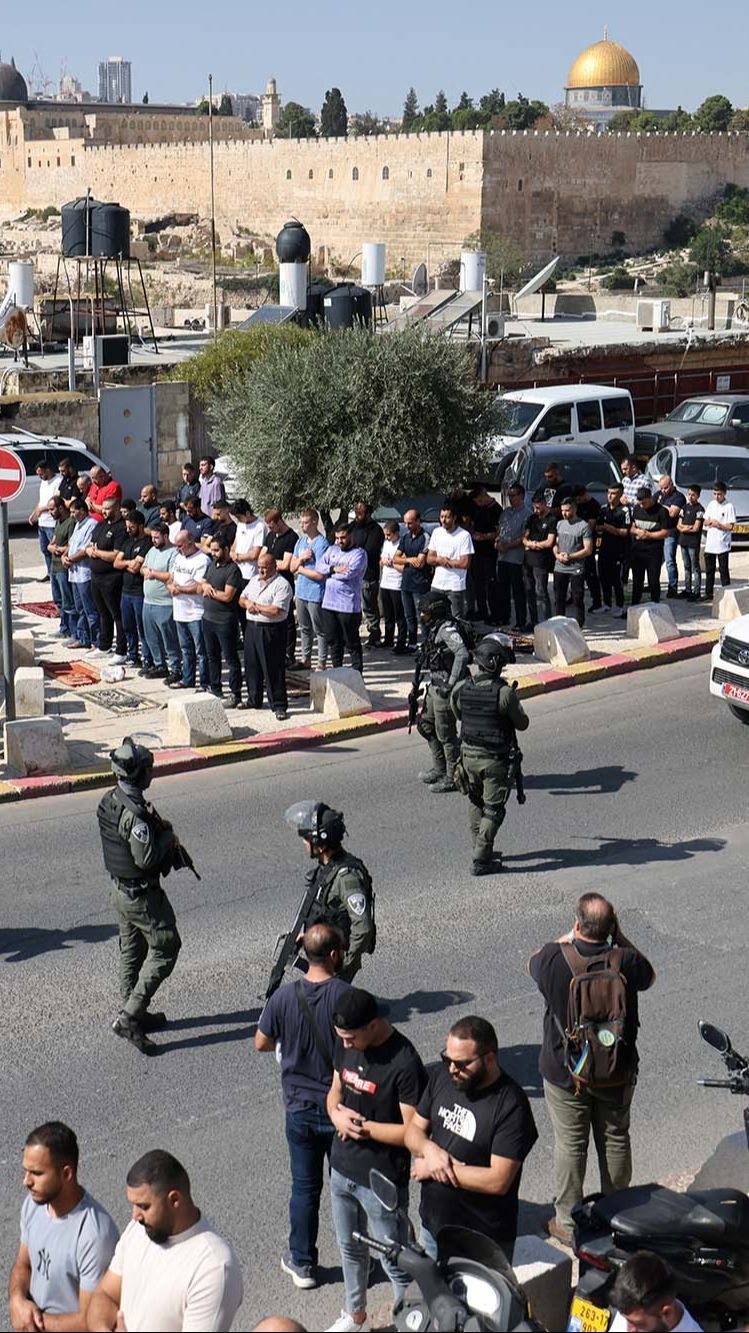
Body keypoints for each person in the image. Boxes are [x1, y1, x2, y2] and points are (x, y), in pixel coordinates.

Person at [528, 892, 655, 1244]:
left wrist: (566, 937)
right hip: (616, 1070)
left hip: (566, 1072)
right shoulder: (625, 960)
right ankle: (618, 1215)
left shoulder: (555, 958)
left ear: (577, 924)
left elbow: (532, 962)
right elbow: (651, 975)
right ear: (611, 926)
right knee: (615, 1139)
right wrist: (622, 936)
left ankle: (567, 1223)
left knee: (570, 1144)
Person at [255, 924, 352, 1291]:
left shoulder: (282, 998)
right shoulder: (346, 996)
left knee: (304, 1189)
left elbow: (261, 1042)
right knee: (347, 1186)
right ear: (333, 955)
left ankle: (303, 1262)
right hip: (338, 1108)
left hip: (298, 1109)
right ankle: (356, 1257)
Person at [326, 988, 426, 1333]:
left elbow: (412, 1133)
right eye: (342, 1038)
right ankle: (355, 1317)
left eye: (351, 1038)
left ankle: (409, 1322)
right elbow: (335, 1092)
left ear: (373, 1025)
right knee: (349, 1249)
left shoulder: (404, 1062)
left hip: (381, 1180)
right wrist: (336, 1116)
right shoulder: (346, 1043)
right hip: (341, 1169)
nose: (346, 1045)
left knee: (394, 1260)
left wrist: (364, 1129)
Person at [405, 1015, 538, 1258]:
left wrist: (435, 1171)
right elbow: (413, 1131)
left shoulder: (511, 1105)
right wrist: (431, 1151)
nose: (452, 1069)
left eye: (462, 1063)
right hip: (433, 1229)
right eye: (447, 1059)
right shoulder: (442, 1077)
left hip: (482, 1242)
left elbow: (498, 1180)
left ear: (489, 1058)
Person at [86, 1149, 243, 1332]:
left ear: (174, 1200)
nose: (135, 1215)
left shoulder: (214, 1267)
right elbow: (105, 1295)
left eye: (143, 1206)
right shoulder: (139, 1230)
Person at [96, 737, 184, 1052]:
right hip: (141, 897)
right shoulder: (134, 816)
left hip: (120, 891)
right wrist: (168, 839)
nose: (151, 773)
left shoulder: (111, 799)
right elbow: (145, 858)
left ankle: (134, 1011)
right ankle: (130, 1016)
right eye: (148, 768)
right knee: (166, 947)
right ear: (136, 774)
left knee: (132, 953)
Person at [8, 1120, 119, 1333]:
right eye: (26, 1171)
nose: (26, 1182)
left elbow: (91, 1321)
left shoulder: (94, 1235)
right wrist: (17, 1299)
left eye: (37, 1173)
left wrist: (33, 1321)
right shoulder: (33, 1204)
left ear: (67, 1174)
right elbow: (24, 1263)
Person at [451, 634, 529, 875]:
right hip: (492, 759)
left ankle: (480, 847)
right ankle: (481, 858)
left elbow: (458, 713)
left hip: (467, 756)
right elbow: (522, 723)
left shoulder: (462, 687)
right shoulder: (504, 694)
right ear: (495, 663)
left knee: (475, 801)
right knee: (494, 810)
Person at [285, 801, 376, 983]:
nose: (304, 843)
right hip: (324, 956)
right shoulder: (327, 868)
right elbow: (326, 912)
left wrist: (345, 969)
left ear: (319, 844)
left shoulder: (347, 877)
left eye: (306, 838)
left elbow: (363, 928)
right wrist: (310, 938)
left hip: (333, 964)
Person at [416, 590, 471, 793]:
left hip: (445, 689)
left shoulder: (447, 629)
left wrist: (451, 682)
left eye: (426, 613)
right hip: (434, 686)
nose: (423, 617)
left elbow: (462, 653)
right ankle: (439, 768)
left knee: (446, 734)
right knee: (425, 725)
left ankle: (453, 776)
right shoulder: (436, 627)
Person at [240, 552, 293, 719]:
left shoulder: (282, 585)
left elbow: (276, 610)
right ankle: (254, 698)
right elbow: (242, 599)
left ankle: (278, 705)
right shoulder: (254, 581)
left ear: (274, 567)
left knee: (273, 668)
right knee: (252, 666)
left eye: (265, 568)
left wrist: (256, 606)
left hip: (271, 630)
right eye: (259, 568)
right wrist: (248, 603)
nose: (261, 571)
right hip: (252, 628)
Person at [199, 535, 244, 708]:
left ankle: (235, 693)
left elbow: (227, 595)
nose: (214, 553)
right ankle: (215, 687)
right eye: (212, 550)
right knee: (212, 656)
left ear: (226, 550)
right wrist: (205, 587)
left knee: (231, 658)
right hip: (208, 618)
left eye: (217, 550)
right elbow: (203, 582)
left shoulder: (233, 570)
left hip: (225, 621)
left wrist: (210, 592)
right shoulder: (212, 565)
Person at [317, 523, 368, 676]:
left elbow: (349, 574)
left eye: (343, 537)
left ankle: (357, 673)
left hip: (348, 605)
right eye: (337, 538)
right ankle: (337, 671)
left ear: (351, 536)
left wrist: (329, 573)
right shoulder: (332, 550)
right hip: (329, 603)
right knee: (333, 640)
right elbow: (319, 566)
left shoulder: (359, 554)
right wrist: (333, 569)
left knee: (351, 641)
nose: (339, 541)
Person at [609, 1251, 703, 1333]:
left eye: (638, 1324)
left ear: (667, 1313)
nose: (629, 1330)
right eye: (626, 1319)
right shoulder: (633, 1309)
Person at [167, 529, 210, 691]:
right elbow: (171, 578)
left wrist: (180, 590)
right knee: (185, 649)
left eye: (180, 546)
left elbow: (200, 586)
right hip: (180, 611)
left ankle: (205, 683)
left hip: (196, 612)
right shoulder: (178, 558)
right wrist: (171, 587)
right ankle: (188, 679)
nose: (178, 549)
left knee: (201, 651)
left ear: (190, 543)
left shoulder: (202, 560)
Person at [87, 495, 128, 663]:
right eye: (102, 508)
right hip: (96, 577)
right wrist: (95, 552)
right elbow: (90, 547)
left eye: (107, 508)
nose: (103, 511)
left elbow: (115, 555)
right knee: (103, 613)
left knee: (116, 614)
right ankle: (104, 645)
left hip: (112, 579)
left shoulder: (121, 528)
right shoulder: (101, 525)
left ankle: (121, 650)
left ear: (117, 509)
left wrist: (98, 553)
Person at [142, 523, 182, 684]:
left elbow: (171, 576)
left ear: (166, 536)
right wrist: (146, 571)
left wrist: (153, 574)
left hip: (165, 603)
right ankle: (159, 665)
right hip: (148, 602)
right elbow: (143, 568)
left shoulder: (174, 553)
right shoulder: (152, 551)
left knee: (169, 639)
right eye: (152, 537)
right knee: (151, 637)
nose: (153, 540)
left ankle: (175, 668)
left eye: (157, 537)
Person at [114, 508, 153, 670]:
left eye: (131, 527)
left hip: (139, 593)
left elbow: (136, 567)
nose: (128, 530)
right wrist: (128, 563)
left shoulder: (147, 543)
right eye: (127, 527)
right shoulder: (127, 541)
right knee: (128, 626)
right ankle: (132, 655)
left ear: (141, 525)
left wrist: (127, 563)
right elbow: (116, 563)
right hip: (125, 591)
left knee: (142, 629)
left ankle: (148, 658)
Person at [290, 508, 329, 670]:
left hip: (315, 593)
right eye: (301, 522)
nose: (302, 526)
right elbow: (292, 567)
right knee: (304, 628)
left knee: (319, 629)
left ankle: (321, 661)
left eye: (305, 522)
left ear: (315, 522)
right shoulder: (301, 542)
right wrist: (301, 559)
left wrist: (301, 569)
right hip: (301, 591)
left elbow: (321, 574)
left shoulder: (322, 543)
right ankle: (305, 658)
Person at [62, 496, 100, 649]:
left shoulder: (91, 525)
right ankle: (83, 638)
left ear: (83, 511)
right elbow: (71, 544)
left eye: (74, 512)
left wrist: (70, 559)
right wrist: (65, 556)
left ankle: (97, 642)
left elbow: (85, 549)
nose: (71, 515)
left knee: (90, 610)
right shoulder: (78, 524)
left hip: (85, 573)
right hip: (74, 574)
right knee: (80, 609)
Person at [264, 509, 299, 667]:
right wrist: (271, 564)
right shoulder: (270, 536)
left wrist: (270, 564)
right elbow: (262, 557)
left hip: (284, 583)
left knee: (287, 619)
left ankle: (288, 654)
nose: (270, 530)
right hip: (269, 583)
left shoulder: (291, 537)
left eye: (272, 526)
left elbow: (286, 564)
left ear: (279, 522)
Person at [427, 501, 474, 619]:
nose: (443, 520)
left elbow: (465, 563)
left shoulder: (464, 536)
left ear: (454, 518)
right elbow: (429, 558)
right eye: (442, 517)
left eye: (447, 517)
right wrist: (439, 560)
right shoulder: (436, 533)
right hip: (437, 584)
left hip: (455, 585)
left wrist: (446, 562)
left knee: (455, 619)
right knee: (436, 618)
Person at [553, 496, 594, 627]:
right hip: (559, 567)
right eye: (562, 510)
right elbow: (555, 544)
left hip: (576, 568)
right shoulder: (560, 524)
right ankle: (559, 623)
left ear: (575, 509)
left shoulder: (583, 526)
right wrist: (557, 555)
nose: (564, 513)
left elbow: (588, 550)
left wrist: (570, 556)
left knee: (577, 598)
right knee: (559, 597)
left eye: (567, 510)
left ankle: (579, 625)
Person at [496, 483, 532, 630]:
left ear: (522, 496)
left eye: (514, 495)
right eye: (509, 496)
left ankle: (520, 621)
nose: (511, 499)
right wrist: (498, 542)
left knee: (518, 591)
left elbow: (524, 536)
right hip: (502, 557)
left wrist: (507, 546)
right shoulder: (505, 513)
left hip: (516, 558)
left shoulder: (527, 514)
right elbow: (500, 530)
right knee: (502, 589)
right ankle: (504, 617)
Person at [350, 500, 385, 647]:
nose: (357, 516)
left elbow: (368, 551)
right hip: (351, 575)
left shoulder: (375, 530)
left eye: (360, 513)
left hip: (368, 575)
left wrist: (352, 552)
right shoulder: (352, 527)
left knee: (369, 607)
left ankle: (374, 633)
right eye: (356, 513)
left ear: (368, 514)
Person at [394, 508, 431, 648]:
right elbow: (395, 558)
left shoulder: (425, 537)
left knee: (422, 616)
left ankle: (427, 644)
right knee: (409, 616)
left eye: (410, 523)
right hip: (406, 583)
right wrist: (409, 560)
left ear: (417, 521)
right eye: (405, 523)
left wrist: (405, 559)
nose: (407, 526)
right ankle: (412, 643)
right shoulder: (405, 537)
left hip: (420, 584)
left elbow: (420, 563)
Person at [630, 487, 670, 606]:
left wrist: (648, 535)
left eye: (644, 503)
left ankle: (655, 605)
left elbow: (665, 532)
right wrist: (637, 532)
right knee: (637, 581)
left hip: (653, 551)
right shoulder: (637, 509)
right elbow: (632, 527)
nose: (642, 506)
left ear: (650, 498)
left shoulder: (661, 511)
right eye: (640, 503)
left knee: (653, 581)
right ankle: (634, 606)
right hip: (637, 550)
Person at [522, 489, 556, 627]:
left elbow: (549, 541)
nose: (535, 510)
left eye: (538, 507)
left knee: (541, 591)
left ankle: (546, 621)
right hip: (527, 559)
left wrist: (535, 545)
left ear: (544, 504)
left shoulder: (552, 519)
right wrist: (529, 543)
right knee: (529, 590)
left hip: (541, 560)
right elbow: (524, 537)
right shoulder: (532, 519)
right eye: (534, 507)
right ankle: (533, 620)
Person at [596, 482, 631, 619]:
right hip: (604, 548)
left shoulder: (624, 511)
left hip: (619, 550)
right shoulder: (604, 509)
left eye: (613, 493)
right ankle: (606, 603)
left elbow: (624, 532)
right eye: (608, 493)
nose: (610, 496)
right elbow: (598, 527)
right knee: (603, 576)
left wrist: (606, 527)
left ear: (620, 495)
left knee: (616, 578)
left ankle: (620, 605)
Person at [468, 484, 502, 622]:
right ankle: (481, 610)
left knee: (491, 583)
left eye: (479, 500)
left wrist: (485, 536)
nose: (478, 504)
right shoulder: (477, 508)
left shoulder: (496, 510)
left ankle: (495, 613)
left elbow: (499, 532)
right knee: (478, 583)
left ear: (484, 495)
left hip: (489, 551)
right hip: (477, 550)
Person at [46, 495, 77, 639]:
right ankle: (63, 627)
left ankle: (73, 631)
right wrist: (52, 547)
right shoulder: (58, 521)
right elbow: (52, 542)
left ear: (60, 508)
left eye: (52, 509)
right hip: (54, 566)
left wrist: (59, 550)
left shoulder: (71, 522)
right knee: (58, 599)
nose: (50, 512)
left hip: (64, 569)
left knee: (68, 601)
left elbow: (71, 545)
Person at [654, 473, 687, 598]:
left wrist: (659, 507)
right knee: (656, 559)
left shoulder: (678, 497)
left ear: (671, 485)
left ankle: (672, 587)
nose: (663, 490)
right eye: (661, 488)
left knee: (669, 561)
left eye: (665, 488)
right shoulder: (658, 495)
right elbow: (651, 507)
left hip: (671, 531)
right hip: (658, 530)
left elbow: (673, 513)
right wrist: (664, 507)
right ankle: (654, 583)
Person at [27, 458, 62, 578]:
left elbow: (57, 502)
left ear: (48, 470)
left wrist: (43, 510)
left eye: (41, 473)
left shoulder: (58, 481)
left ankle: (56, 573)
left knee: (53, 550)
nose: (40, 476)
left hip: (51, 523)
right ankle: (50, 572)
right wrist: (34, 513)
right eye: (38, 474)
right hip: (42, 523)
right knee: (44, 549)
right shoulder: (43, 482)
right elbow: (41, 501)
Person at [572, 485, 604, 613]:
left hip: (587, 543)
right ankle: (573, 597)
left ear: (584, 494)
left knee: (591, 574)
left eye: (579, 499)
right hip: (575, 543)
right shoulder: (577, 504)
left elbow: (590, 526)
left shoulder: (593, 506)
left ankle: (597, 601)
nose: (578, 502)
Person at [379, 519, 408, 652]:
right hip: (385, 582)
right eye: (385, 534)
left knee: (399, 614)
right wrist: (383, 561)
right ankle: (388, 639)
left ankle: (401, 640)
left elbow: (403, 565)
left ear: (396, 533)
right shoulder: (386, 544)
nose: (387, 537)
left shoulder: (402, 545)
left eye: (389, 534)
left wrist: (393, 564)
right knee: (388, 614)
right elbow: (380, 560)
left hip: (397, 583)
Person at [703, 480, 735, 599]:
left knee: (723, 570)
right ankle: (708, 592)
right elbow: (705, 520)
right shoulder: (711, 504)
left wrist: (719, 525)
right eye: (715, 494)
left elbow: (731, 526)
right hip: (711, 543)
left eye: (719, 494)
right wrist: (710, 522)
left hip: (722, 543)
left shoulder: (729, 506)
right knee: (709, 570)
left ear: (724, 493)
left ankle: (727, 591)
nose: (717, 497)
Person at [677, 484, 705, 602]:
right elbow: (678, 525)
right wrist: (684, 528)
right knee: (686, 566)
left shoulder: (700, 510)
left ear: (698, 496)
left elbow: (696, 528)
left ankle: (696, 591)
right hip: (683, 541)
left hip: (693, 543)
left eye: (693, 495)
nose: (690, 497)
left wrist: (685, 527)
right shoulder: (684, 507)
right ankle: (687, 589)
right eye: (689, 494)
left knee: (695, 567)